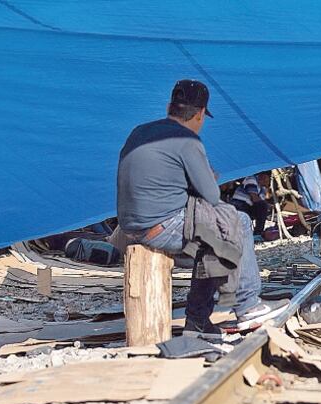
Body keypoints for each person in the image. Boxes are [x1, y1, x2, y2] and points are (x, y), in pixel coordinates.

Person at [116, 79, 286, 334]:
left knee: (210, 238)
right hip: (160, 227)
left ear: (168, 107)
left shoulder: (139, 131)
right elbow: (211, 194)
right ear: (199, 114)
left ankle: (198, 320)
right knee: (235, 221)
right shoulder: (187, 140)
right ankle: (248, 305)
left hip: (129, 226)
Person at [231, 171, 272, 237]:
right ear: (262, 176)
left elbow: (263, 199)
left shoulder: (262, 189)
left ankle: (258, 232)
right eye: (266, 178)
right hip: (238, 204)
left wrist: (267, 187)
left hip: (248, 206)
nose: (267, 180)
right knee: (263, 205)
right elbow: (254, 198)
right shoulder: (251, 179)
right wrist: (266, 205)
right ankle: (258, 232)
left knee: (263, 207)